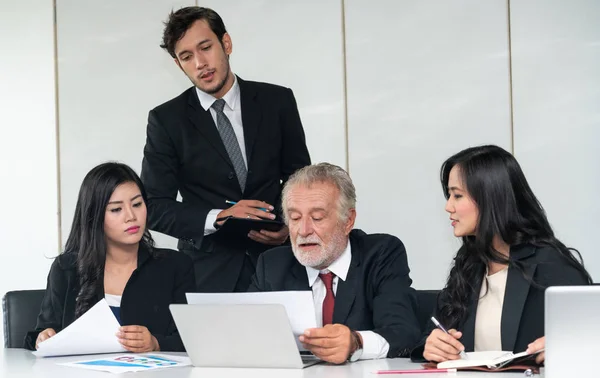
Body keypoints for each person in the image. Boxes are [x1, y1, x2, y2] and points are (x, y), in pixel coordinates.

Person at [141, 6, 311, 293]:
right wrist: (219, 216)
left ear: (226, 43)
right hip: (206, 273)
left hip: (280, 262)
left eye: (205, 47)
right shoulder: (166, 120)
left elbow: (300, 180)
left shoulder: (277, 101)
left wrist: (290, 226)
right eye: (186, 56)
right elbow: (154, 205)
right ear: (178, 64)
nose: (200, 63)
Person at [410, 145, 592, 364]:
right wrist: (432, 346)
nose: (448, 206)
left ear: (490, 198)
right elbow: (432, 334)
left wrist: (567, 347)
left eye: (457, 195)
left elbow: (588, 341)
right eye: (449, 195)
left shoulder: (551, 264)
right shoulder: (468, 263)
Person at [249, 163, 420, 364]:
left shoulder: (380, 254)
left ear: (348, 221)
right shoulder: (272, 265)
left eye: (317, 217)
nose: (303, 231)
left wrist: (356, 342)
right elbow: (246, 336)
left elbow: (403, 333)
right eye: (295, 218)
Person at [24, 163, 195, 352]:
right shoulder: (66, 268)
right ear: (94, 216)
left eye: (137, 204)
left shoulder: (176, 266)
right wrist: (43, 337)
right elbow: (42, 333)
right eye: (116, 209)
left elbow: (193, 339)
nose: (131, 216)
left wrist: (156, 343)